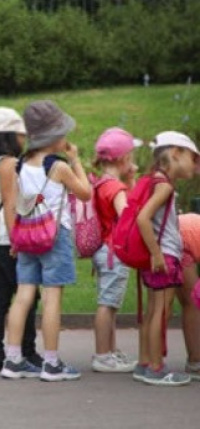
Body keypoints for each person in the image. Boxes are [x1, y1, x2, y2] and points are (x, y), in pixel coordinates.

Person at [0, 100, 91, 382]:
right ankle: (51, 363)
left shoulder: (20, 165)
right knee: (52, 298)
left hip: (27, 235)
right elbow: (86, 193)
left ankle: (12, 359)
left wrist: (14, 239)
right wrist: (76, 160)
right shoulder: (58, 166)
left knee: (23, 296)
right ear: (54, 137)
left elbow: (14, 204)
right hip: (54, 236)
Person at [0, 107, 42, 372]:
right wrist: (18, 240)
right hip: (7, 240)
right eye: (20, 134)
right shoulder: (9, 165)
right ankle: (26, 351)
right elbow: (10, 205)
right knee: (27, 295)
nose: (24, 139)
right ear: (8, 136)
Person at [134, 131, 200, 386]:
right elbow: (143, 218)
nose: (195, 165)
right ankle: (156, 368)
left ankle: (144, 363)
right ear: (175, 153)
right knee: (160, 311)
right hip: (164, 256)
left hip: (158, 256)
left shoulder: (155, 180)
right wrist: (157, 253)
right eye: (193, 158)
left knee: (153, 311)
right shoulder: (164, 186)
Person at [89, 127, 140, 373]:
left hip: (104, 250)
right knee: (107, 304)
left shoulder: (102, 183)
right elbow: (127, 217)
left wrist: (129, 181)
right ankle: (102, 356)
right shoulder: (115, 188)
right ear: (124, 158)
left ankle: (109, 351)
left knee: (109, 303)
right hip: (114, 252)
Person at [175, 213, 200, 380]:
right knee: (193, 302)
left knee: (190, 303)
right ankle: (195, 361)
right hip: (180, 241)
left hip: (178, 234)